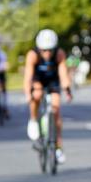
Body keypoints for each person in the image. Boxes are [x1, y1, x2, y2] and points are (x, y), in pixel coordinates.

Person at [23, 29, 72, 164]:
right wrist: (28, 94)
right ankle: (33, 119)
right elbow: (28, 77)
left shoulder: (59, 54)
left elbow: (63, 74)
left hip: (52, 81)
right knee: (37, 95)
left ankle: (58, 147)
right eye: (44, 50)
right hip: (37, 79)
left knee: (55, 109)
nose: (47, 53)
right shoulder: (32, 55)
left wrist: (67, 89)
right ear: (39, 48)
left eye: (50, 50)